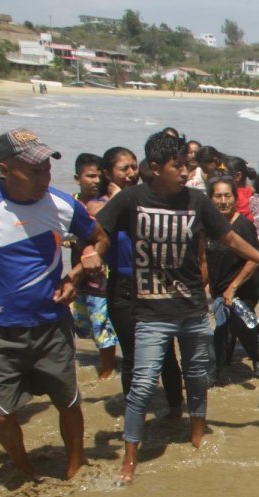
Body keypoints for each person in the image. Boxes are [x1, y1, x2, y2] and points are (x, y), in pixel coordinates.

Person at [96, 131, 259, 483]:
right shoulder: (131, 200)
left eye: (187, 164)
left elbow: (229, 237)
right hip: (150, 311)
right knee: (141, 384)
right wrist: (90, 254)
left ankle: (197, 435)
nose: (186, 172)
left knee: (197, 377)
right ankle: (130, 459)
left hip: (194, 309)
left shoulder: (197, 202)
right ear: (155, 167)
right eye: (177, 165)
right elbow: (100, 229)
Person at [0, 128, 110, 481]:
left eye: (47, 169)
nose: (44, 178)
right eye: (34, 171)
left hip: (51, 324)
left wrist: (81, 269)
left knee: (67, 401)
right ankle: (25, 470)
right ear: (4, 169)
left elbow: (98, 238)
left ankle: (75, 465)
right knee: (1, 414)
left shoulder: (62, 204)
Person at [101, 146, 186, 420]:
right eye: (123, 168)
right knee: (133, 357)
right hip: (123, 286)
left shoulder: (149, 199)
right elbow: (89, 233)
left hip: (156, 284)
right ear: (108, 174)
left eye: (133, 167)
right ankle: (135, 416)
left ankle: (175, 411)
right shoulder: (101, 204)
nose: (130, 173)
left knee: (167, 353)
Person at [204, 176, 259, 383]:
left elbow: (253, 260)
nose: (223, 201)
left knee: (244, 325)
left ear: (235, 199)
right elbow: (205, 260)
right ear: (210, 199)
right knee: (224, 328)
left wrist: (233, 287)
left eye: (228, 196)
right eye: (218, 196)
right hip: (219, 289)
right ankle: (221, 369)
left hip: (243, 288)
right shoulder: (208, 227)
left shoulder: (243, 225)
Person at [71, 152, 118, 380]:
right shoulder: (71, 202)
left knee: (102, 326)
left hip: (101, 278)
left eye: (99, 176)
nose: (95, 180)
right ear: (77, 177)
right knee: (82, 324)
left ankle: (107, 372)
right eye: (90, 176)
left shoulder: (104, 203)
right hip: (78, 278)